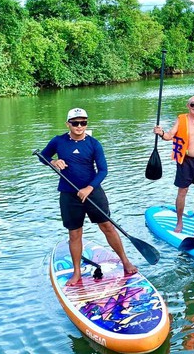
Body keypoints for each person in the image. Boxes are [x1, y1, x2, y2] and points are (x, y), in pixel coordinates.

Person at [40, 108, 137, 286]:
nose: (79, 126)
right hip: (69, 194)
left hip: (93, 192)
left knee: (107, 226)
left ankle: (125, 261)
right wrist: (53, 162)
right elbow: (44, 157)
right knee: (75, 233)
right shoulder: (58, 141)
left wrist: (89, 188)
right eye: (75, 123)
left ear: (87, 123)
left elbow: (103, 171)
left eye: (83, 122)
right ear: (67, 124)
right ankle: (77, 273)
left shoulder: (94, 144)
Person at [153, 96, 194, 232]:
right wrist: (161, 133)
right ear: (188, 106)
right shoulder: (181, 119)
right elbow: (169, 135)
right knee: (182, 191)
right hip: (185, 161)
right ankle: (179, 221)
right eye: (192, 104)